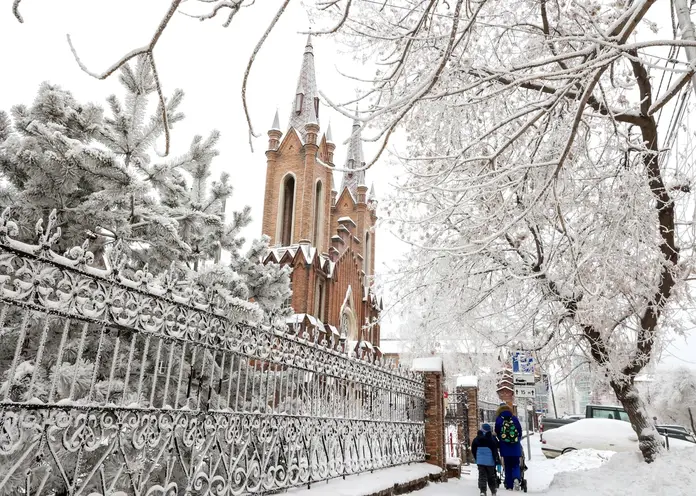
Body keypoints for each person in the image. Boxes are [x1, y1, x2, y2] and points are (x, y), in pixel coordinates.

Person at [494, 403, 523, 490]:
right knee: (515, 464)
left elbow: (497, 431)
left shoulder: (499, 419)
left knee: (507, 465)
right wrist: (517, 439)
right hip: (515, 446)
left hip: (504, 446)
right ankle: (517, 479)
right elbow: (519, 431)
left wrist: (501, 440)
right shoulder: (514, 418)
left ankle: (509, 485)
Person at [471, 424, 500, 496]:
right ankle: (493, 491)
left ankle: (483, 491)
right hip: (490, 462)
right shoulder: (492, 439)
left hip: (480, 462)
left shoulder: (477, 439)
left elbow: (473, 450)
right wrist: (496, 460)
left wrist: (477, 458)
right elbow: (495, 450)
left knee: (482, 476)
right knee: (491, 476)